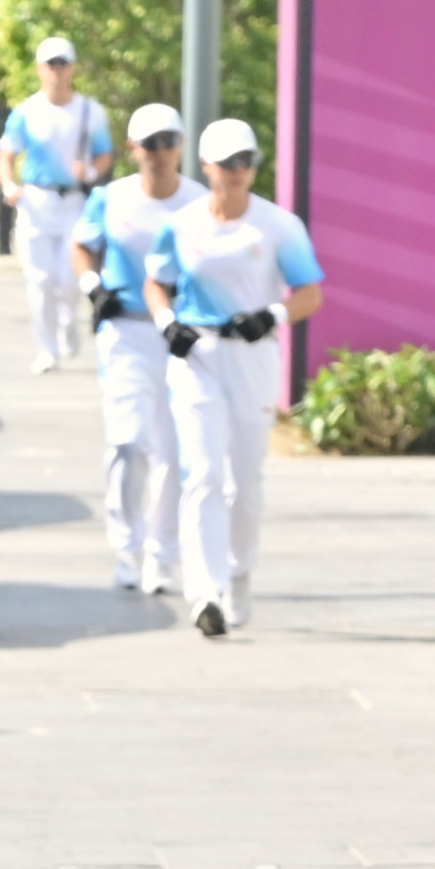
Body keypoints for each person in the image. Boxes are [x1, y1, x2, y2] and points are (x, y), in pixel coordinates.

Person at [150, 118, 325, 644]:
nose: (238, 171)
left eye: (246, 161)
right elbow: (156, 282)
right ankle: (205, 593)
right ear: (206, 165)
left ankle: (239, 573)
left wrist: (271, 315)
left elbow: (310, 293)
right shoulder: (181, 225)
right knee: (203, 474)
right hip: (197, 356)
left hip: (252, 356)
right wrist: (167, 324)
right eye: (228, 163)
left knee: (244, 483)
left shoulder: (278, 227)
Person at [77, 108, 196, 602]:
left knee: (172, 451)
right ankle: (125, 546)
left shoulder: (199, 203)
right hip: (125, 331)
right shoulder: (111, 198)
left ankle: (161, 553)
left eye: (167, 141)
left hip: (182, 338)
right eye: (149, 143)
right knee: (128, 443)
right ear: (133, 149)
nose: (159, 152)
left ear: (181, 146)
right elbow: (83, 245)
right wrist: (92, 286)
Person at [0, 37, 115, 372]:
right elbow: (6, 155)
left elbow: (105, 154)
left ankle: (68, 322)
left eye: (63, 64)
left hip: (74, 201)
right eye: (51, 64)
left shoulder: (90, 112)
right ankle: (46, 349)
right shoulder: (26, 112)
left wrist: (90, 171)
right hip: (36, 201)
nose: (57, 71)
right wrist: (9, 185)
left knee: (69, 278)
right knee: (39, 280)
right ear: (40, 69)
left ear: (72, 69)